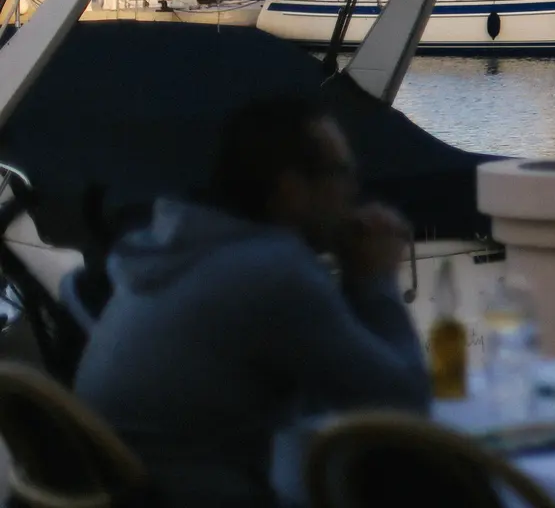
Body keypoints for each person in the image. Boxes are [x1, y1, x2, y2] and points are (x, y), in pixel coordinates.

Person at [75, 96, 429, 508]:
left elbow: (335, 383)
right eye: (342, 173)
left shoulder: (181, 250)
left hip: (122, 489)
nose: (355, 190)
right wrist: (376, 279)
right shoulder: (273, 272)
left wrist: (353, 279)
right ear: (292, 190)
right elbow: (401, 408)